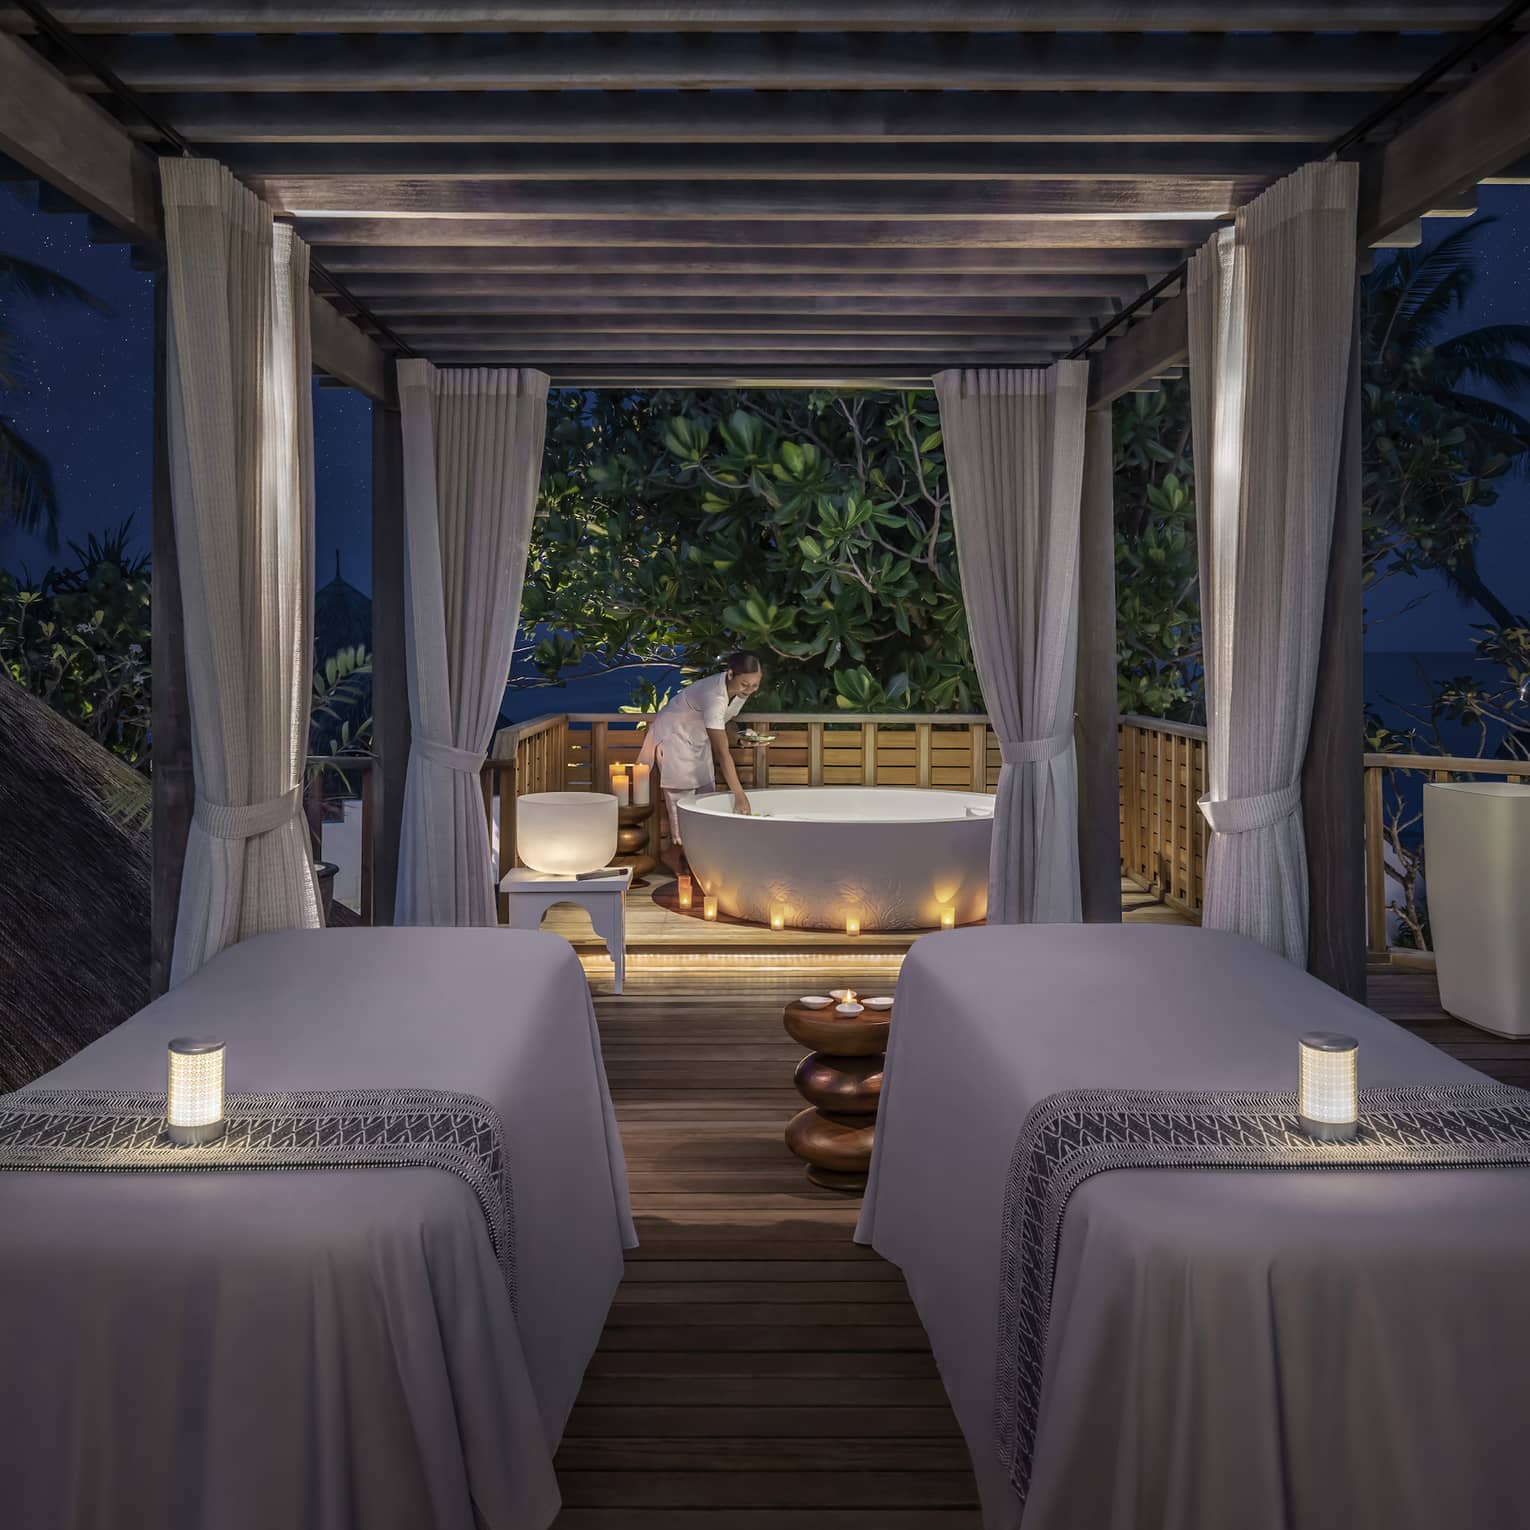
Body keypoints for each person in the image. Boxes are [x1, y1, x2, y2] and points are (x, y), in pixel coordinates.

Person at [637, 652, 763, 876]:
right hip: (675, 739)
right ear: (731, 673)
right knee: (682, 802)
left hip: (697, 738)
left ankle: (686, 856)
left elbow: (725, 723)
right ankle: (678, 856)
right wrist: (739, 795)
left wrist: (739, 737)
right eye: (745, 684)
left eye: (755, 685)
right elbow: (722, 753)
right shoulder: (714, 697)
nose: (749, 690)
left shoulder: (740, 691)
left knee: (705, 797)